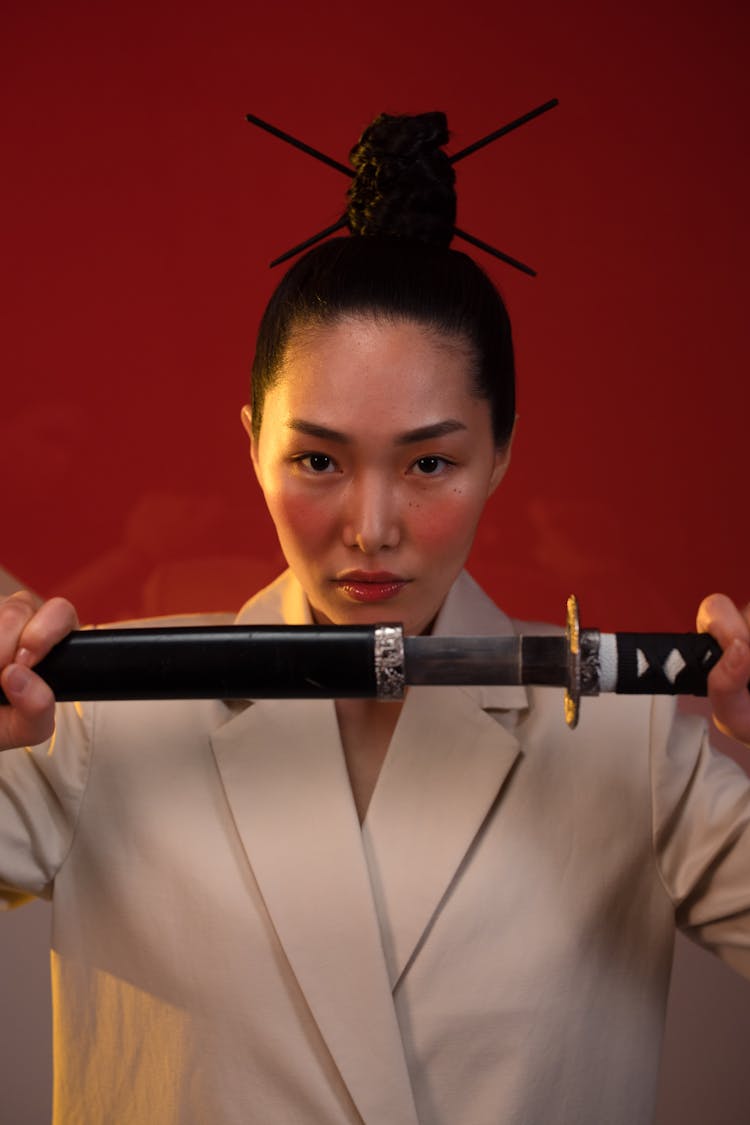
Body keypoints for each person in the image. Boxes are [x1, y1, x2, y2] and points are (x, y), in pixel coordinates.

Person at [1, 111, 749, 1125]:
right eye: (318, 459)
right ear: (252, 442)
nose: (373, 526)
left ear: (504, 454)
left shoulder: (637, 745)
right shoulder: (95, 707)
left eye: (431, 462)